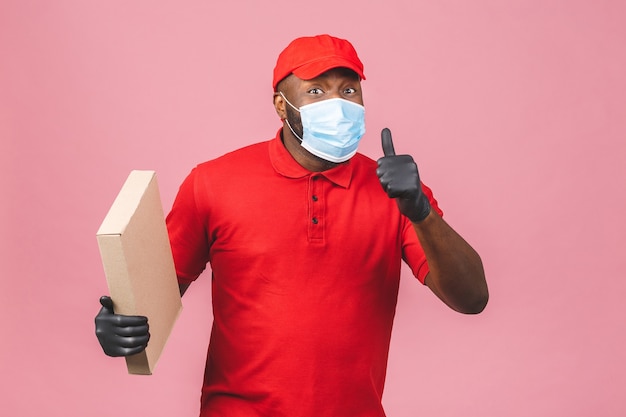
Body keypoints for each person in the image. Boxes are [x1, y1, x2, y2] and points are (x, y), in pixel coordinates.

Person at [95, 34, 488, 417]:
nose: (337, 103)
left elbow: (472, 299)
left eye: (349, 91)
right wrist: (118, 325)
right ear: (281, 107)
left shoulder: (396, 192)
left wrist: (420, 210)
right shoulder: (212, 183)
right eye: (316, 91)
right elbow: (155, 298)